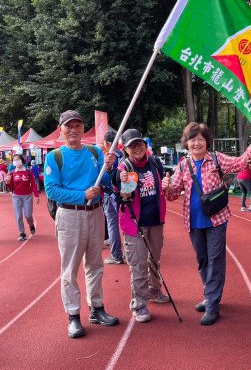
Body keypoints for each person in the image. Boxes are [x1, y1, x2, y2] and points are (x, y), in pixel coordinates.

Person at [162, 123, 251, 325]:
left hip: (216, 219)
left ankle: (212, 304)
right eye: (192, 140)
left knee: (216, 259)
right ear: (187, 143)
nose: (196, 143)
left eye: (200, 139)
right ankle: (210, 294)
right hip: (194, 221)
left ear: (206, 142)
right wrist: (167, 187)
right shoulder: (182, 165)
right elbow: (173, 194)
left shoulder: (216, 159)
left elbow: (240, 163)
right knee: (203, 261)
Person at [44, 110, 119, 339]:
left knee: (95, 264)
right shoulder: (55, 156)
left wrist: (110, 166)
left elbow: (106, 182)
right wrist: (82, 194)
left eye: (77, 125)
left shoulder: (95, 152)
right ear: (61, 130)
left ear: (83, 128)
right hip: (70, 215)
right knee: (70, 269)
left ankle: (96, 308)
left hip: (95, 213)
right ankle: (73, 315)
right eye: (69, 126)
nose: (73, 130)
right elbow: (52, 190)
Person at [116, 128, 170, 323]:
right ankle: (138, 304)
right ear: (126, 149)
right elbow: (126, 197)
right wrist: (123, 186)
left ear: (146, 146)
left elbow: (164, 184)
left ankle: (154, 291)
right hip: (135, 224)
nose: (137, 148)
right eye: (132, 145)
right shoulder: (126, 167)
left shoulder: (155, 163)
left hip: (156, 221)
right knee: (138, 265)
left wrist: (167, 184)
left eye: (139, 144)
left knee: (154, 259)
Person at [102, 131, 125, 265]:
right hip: (122, 194)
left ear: (106, 143)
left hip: (110, 194)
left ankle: (116, 254)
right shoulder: (123, 155)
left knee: (112, 224)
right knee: (126, 224)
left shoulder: (108, 158)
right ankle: (129, 252)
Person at [5, 154, 39, 240]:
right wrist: (7, 182)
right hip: (16, 196)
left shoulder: (28, 171)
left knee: (28, 215)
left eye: (17, 159)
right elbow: (10, 187)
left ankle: (31, 225)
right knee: (18, 216)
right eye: (14, 160)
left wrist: (36, 195)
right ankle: (22, 232)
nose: (16, 161)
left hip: (27, 196)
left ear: (22, 160)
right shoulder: (12, 172)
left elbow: (34, 184)